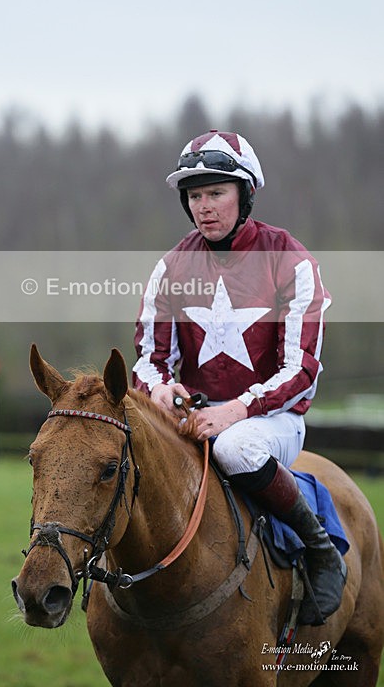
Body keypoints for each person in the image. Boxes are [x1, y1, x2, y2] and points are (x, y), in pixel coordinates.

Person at [132, 129, 346, 626]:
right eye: (195, 195)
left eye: (216, 193)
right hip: (194, 416)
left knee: (235, 448)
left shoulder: (290, 259)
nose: (204, 206)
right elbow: (148, 356)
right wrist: (160, 388)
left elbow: (302, 369)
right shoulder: (170, 267)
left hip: (273, 421)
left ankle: (319, 550)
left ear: (246, 193)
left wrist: (235, 411)